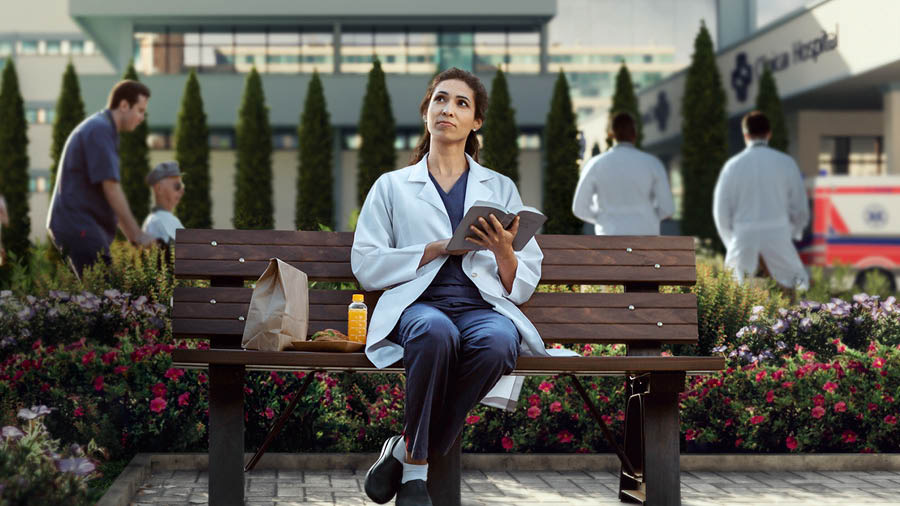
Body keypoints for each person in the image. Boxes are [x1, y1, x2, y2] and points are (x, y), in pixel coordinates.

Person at [352, 68, 553, 506]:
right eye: (441, 100)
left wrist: (504, 251)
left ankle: (404, 451)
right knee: (435, 332)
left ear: (475, 122)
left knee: (501, 343)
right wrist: (434, 248)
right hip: (419, 305)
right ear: (427, 112)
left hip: (481, 309)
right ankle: (417, 474)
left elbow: (523, 283)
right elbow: (365, 264)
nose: (449, 109)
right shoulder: (391, 188)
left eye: (462, 103)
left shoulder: (499, 187)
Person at [46, 80, 154, 278]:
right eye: (140, 110)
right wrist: (136, 235)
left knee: (99, 296)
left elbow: (108, 195)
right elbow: (111, 188)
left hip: (77, 224)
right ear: (123, 105)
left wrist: (132, 235)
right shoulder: (100, 130)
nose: (141, 118)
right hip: (79, 225)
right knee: (107, 292)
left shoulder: (103, 129)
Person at [713, 110, 810, 292]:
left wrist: (732, 241)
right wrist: (791, 233)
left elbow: (721, 213)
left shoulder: (732, 166)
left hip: (744, 237)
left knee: (737, 296)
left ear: (745, 135)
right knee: (791, 296)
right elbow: (800, 209)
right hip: (778, 235)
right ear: (769, 133)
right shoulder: (786, 162)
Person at [571, 111, 675, 235]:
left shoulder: (595, 164)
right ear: (635, 134)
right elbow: (667, 208)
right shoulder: (652, 163)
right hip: (646, 238)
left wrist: (603, 218)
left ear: (611, 135)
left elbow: (579, 208)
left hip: (608, 239)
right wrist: (648, 217)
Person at [142, 161, 185, 244]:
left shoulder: (169, 219)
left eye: (182, 186)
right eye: (177, 186)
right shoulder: (156, 221)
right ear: (159, 189)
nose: (182, 191)